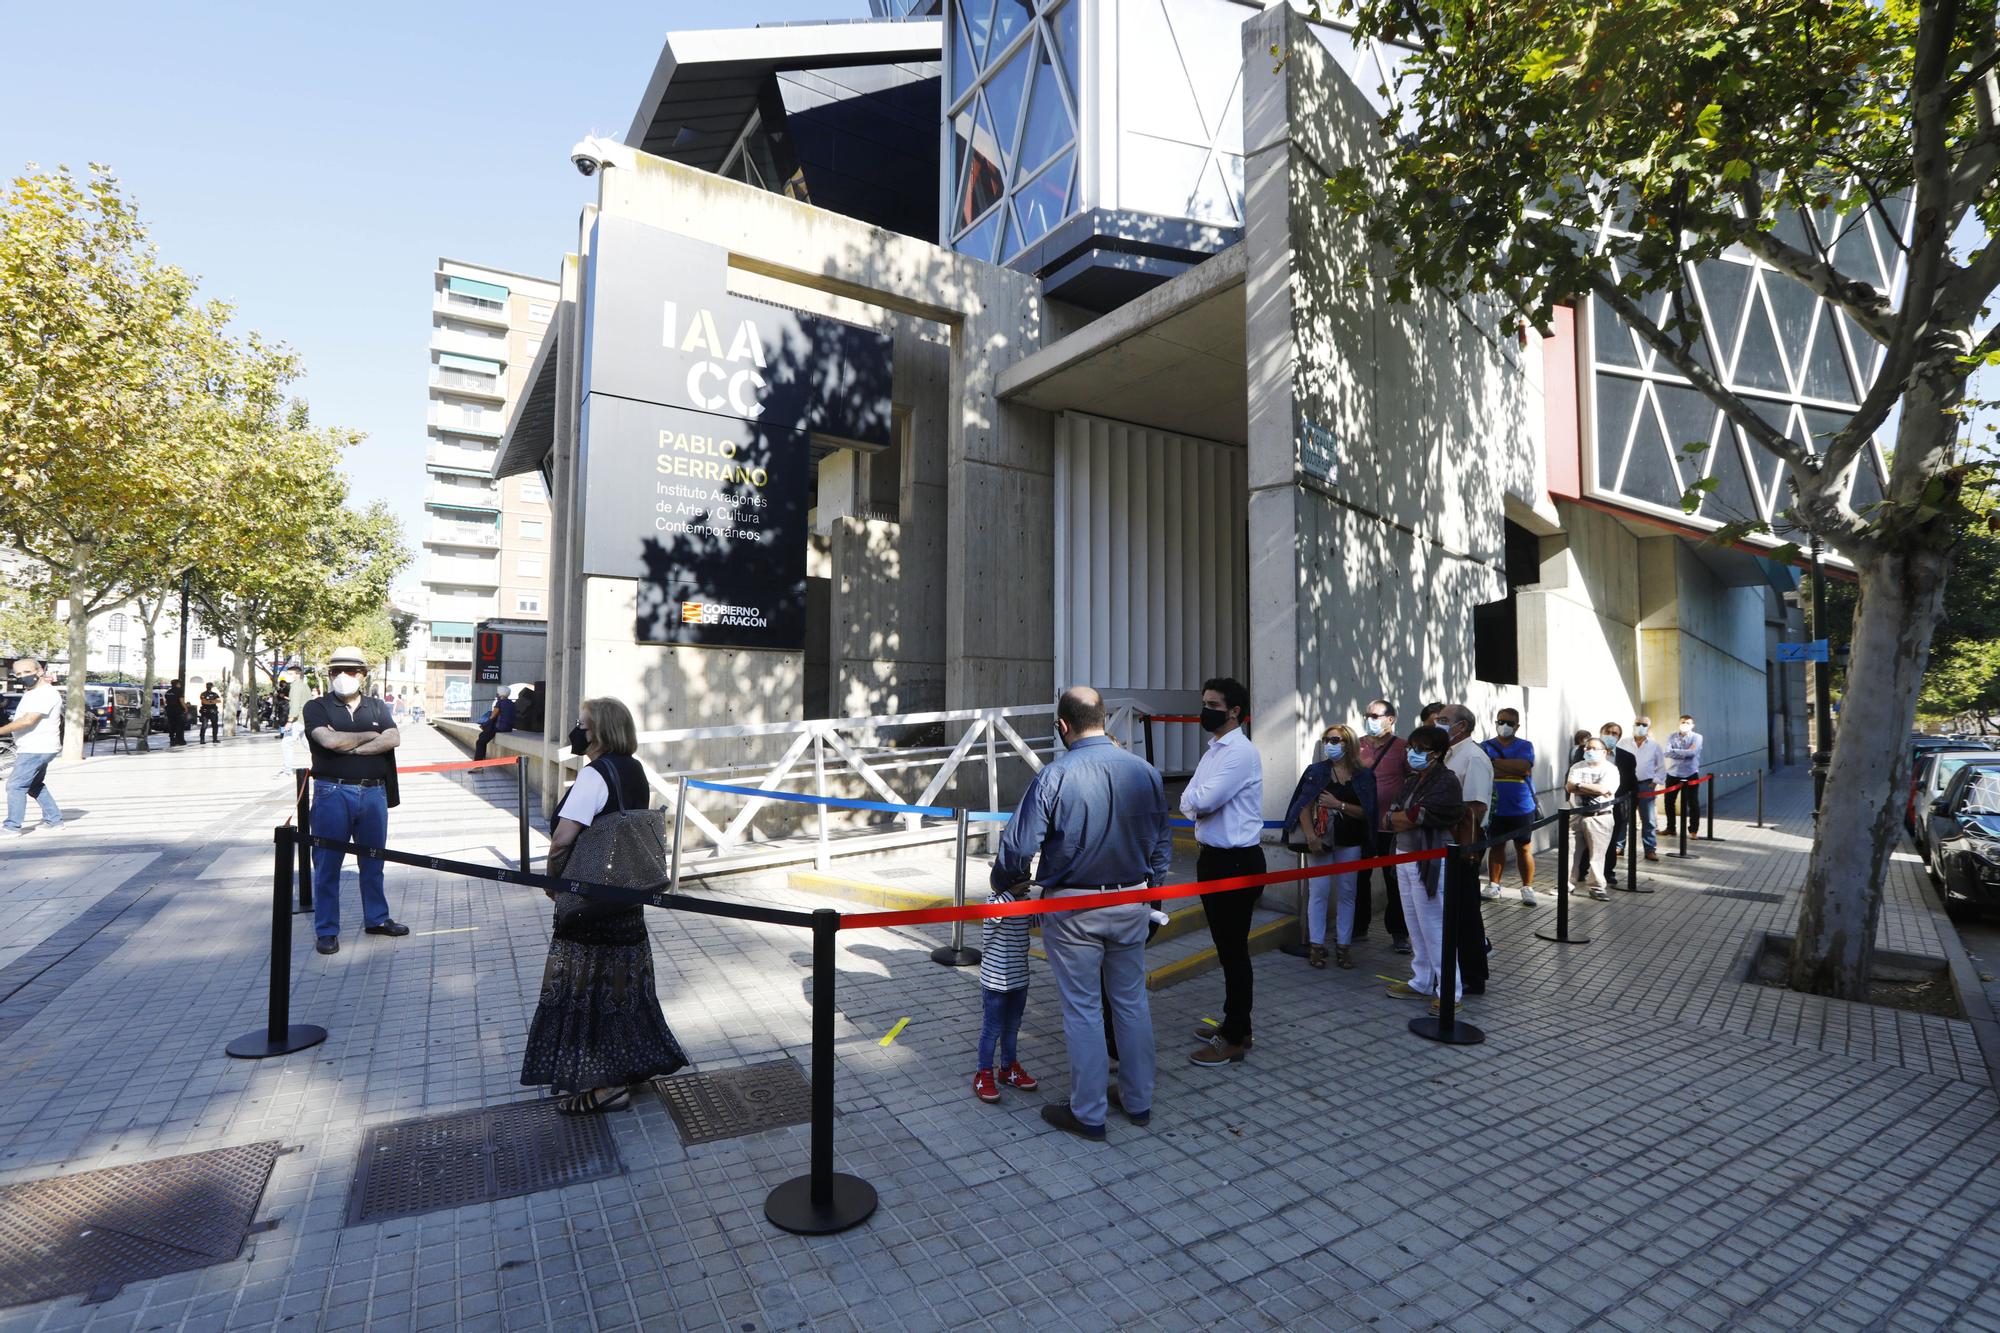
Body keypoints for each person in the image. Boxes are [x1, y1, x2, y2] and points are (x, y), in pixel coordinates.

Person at [991, 685, 1170, 1140]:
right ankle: (1138, 1099)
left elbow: (1017, 847)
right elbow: (1161, 846)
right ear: (1104, 719)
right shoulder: (1145, 772)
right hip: (1132, 900)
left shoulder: (1055, 776)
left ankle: (1088, 1113)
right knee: (1130, 1002)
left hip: (1073, 909)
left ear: (1062, 726)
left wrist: (1005, 882)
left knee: (1084, 1010)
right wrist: (1154, 897)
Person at [521, 696, 689, 1114]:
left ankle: (603, 1086)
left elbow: (563, 837)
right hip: (625, 898)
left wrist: (553, 879)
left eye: (584, 725)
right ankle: (628, 1065)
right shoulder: (634, 770)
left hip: (590, 902)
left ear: (602, 731)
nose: (579, 732)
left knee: (587, 989)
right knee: (623, 987)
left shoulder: (595, 776)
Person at [1182, 676, 1266, 1069]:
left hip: (1235, 861)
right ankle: (1235, 1022)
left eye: (1214, 704)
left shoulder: (1240, 752)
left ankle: (1235, 1036)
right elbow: (1189, 797)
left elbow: (1207, 798)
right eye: (1205, 702)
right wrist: (1195, 801)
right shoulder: (1214, 749)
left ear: (1235, 711)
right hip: (1212, 858)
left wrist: (1195, 801)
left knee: (1234, 951)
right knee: (1226, 947)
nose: (1206, 709)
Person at [303, 647, 409, 955]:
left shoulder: (378, 705)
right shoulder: (316, 706)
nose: (342, 677)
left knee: (373, 861)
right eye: (336, 671)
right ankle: (326, 930)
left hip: (373, 792)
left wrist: (351, 746)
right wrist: (370, 735)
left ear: (362, 675)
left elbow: (393, 738)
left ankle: (377, 918)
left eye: (350, 671)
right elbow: (329, 740)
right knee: (327, 865)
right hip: (332, 793)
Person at [1383, 725, 1466, 1011]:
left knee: (1434, 925)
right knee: (1414, 923)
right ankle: (1421, 979)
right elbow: (1391, 816)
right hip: (1404, 856)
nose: (1412, 754)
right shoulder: (1412, 780)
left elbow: (1421, 815)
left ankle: (1450, 992)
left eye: (1419, 750)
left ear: (1437, 753)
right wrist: (1402, 817)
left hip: (1430, 860)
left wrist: (1401, 817)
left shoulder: (1446, 781)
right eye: (1410, 748)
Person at [1282, 723, 1376, 969]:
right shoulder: (1316, 771)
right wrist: (1311, 837)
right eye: (1326, 740)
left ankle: (1343, 947)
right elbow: (1303, 804)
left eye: (1335, 740)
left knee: (1347, 893)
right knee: (1319, 892)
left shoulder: (1364, 775)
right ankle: (1316, 946)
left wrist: (1339, 804)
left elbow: (1367, 813)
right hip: (1321, 841)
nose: (1329, 745)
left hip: (1351, 841)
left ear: (1349, 743)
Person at [1439, 704, 1493, 995]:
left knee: (1465, 911)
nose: (1439, 724)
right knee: (1453, 910)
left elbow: (1475, 807)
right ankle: (1455, 966)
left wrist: (1463, 847)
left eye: (1444, 721)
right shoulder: (1450, 755)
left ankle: (1473, 974)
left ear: (1461, 726)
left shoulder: (1473, 757)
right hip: (1445, 842)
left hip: (1461, 843)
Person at [972, 880, 1039, 1104]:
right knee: (992, 1030)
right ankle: (983, 1074)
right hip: (995, 982)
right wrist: (1010, 893)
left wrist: (1053, 898)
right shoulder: (993, 902)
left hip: (1019, 979)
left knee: (1012, 1027)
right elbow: (994, 917)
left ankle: (1008, 1068)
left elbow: (1037, 920)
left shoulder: (1023, 901)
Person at [1355, 699, 1412, 953]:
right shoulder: (1357, 745)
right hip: (1363, 825)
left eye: (1376, 715)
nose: (1370, 719)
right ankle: (1358, 928)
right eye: (1368, 715)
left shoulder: (1403, 748)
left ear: (1390, 719)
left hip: (1391, 829)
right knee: (1359, 878)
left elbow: (1413, 782)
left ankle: (1399, 933)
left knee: (1395, 882)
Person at [1481, 706, 1539, 905]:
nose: (1504, 726)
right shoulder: (1485, 746)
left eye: (1509, 723)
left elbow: (1524, 767)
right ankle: (1494, 885)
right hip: (1495, 807)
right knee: (1496, 846)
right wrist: (1511, 769)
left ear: (1517, 726)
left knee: (1523, 847)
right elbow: (1485, 771)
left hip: (1522, 806)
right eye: (1500, 721)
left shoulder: (1525, 745)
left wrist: (1495, 763)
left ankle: (1527, 888)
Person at [1, 658, 64, 836]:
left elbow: (28, 720)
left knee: (15, 786)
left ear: (40, 671)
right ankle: (54, 820)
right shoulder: (32, 693)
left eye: (27, 672)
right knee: (34, 785)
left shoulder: (46, 693)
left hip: (36, 748)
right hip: (38, 747)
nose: (23, 677)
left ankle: (12, 827)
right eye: (18, 674)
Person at [1564, 736, 1619, 898]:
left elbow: (1605, 789)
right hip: (1576, 815)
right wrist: (1589, 788)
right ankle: (1566, 884)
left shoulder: (1610, 769)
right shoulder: (1577, 766)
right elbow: (1569, 787)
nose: (1589, 751)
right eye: (1587, 748)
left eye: (1594, 748)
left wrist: (1579, 786)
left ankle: (1596, 887)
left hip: (1600, 816)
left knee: (1597, 855)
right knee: (1570, 852)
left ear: (1604, 752)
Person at [1617, 716, 1665, 863]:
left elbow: (1661, 767)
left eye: (1644, 724)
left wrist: (1655, 782)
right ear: (1633, 725)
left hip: (1645, 785)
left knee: (1648, 819)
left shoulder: (1654, 746)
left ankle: (1650, 849)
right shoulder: (1623, 743)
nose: (1640, 726)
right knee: (1622, 817)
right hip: (1625, 785)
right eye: (1638, 724)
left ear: (1649, 727)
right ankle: (1619, 846)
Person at [1600, 721, 1639, 880]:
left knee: (1611, 840)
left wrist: (1631, 808)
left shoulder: (1627, 757)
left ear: (1619, 737)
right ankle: (1581, 871)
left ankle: (1608, 872)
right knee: (1585, 840)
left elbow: (1632, 783)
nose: (1610, 735)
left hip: (1614, 805)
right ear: (1601, 733)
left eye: (1614, 733)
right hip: (1588, 805)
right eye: (1607, 732)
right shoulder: (1586, 751)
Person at [1664, 714, 1704, 836]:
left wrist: (1674, 751)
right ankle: (1671, 828)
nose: (1684, 725)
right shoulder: (1672, 736)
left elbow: (1692, 753)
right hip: (1673, 773)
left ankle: (1693, 830)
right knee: (1669, 802)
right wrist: (1685, 752)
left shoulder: (1697, 737)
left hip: (1690, 773)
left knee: (1692, 803)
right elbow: (1667, 753)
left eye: (1687, 723)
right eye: (1682, 722)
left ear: (1692, 725)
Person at [474, 686, 516, 760]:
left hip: (499, 728)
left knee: (480, 742)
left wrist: (485, 724)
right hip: (508, 728)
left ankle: (478, 765)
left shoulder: (499, 702)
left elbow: (492, 716)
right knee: (482, 737)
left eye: (497, 692)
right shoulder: (511, 703)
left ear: (500, 694)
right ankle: (480, 762)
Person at [164, 680, 188, 747]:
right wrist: (186, 708)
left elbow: (166, 701)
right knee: (180, 725)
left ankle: (172, 739)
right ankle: (180, 740)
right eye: (179, 684)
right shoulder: (179, 690)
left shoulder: (168, 692)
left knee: (171, 725)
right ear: (177, 684)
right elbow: (181, 701)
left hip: (169, 711)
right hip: (178, 711)